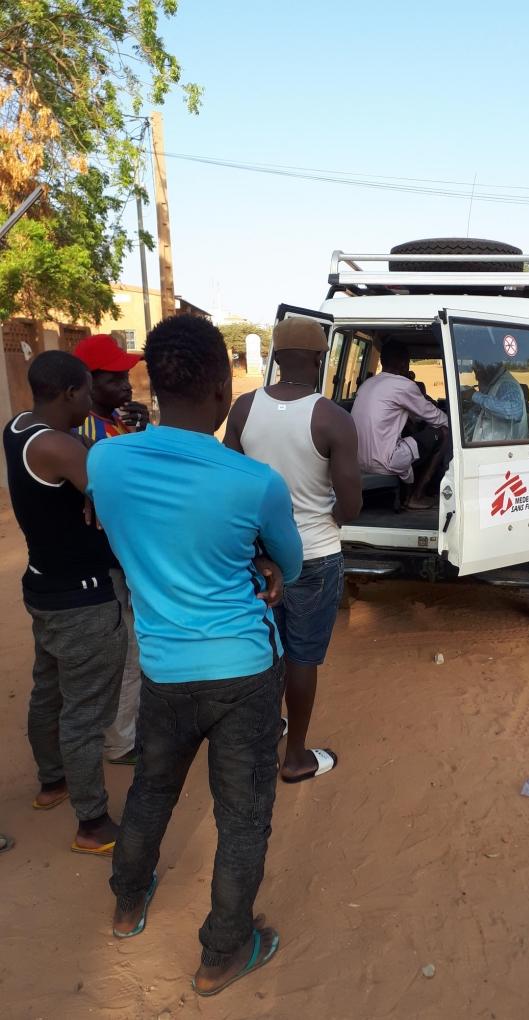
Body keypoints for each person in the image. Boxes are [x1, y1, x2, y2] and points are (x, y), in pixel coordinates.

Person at [86, 315, 303, 997]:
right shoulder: (253, 481)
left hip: (164, 669)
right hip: (242, 671)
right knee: (243, 816)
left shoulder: (105, 459)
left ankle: (126, 903)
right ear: (219, 388)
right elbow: (289, 564)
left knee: (152, 787)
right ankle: (222, 953)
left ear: (153, 379)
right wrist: (264, 560)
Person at [225, 317, 362, 783]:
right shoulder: (332, 418)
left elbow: (231, 483)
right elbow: (353, 504)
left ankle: (269, 731)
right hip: (315, 554)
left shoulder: (244, 410)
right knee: (303, 655)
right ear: (322, 359)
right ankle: (297, 756)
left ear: (275, 358)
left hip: (258, 556)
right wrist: (330, 519)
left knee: (267, 649)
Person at [2, 351, 127, 855]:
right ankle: (92, 824)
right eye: (89, 393)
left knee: (48, 690)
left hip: (44, 585)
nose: (93, 401)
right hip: (83, 598)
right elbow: (120, 501)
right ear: (73, 392)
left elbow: (79, 456)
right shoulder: (61, 448)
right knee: (85, 713)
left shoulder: (20, 427)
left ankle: (52, 782)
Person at [73, 333, 149, 766]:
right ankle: (121, 741)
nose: (126, 384)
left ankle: (128, 729)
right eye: (114, 378)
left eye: (126, 376)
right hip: (111, 558)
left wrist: (143, 432)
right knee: (129, 650)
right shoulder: (88, 431)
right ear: (87, 382)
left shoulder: (115, 422)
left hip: (124, 553)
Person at [352, 340, 448, 510]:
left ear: (382, 361)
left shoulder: (367, 384)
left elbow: (410, 417)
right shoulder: (404, 386)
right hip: (384, 461)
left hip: (358, 461)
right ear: (405, 363)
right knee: (444, 432)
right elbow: (437, 418)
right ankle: (417, 496)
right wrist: (455, 421)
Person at [465, 361, 528, 442]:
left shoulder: (507, 384)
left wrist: (475, 395)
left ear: (486, 367)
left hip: (505, 450)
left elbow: (515, 412)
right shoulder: (494, 383)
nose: (476, 376)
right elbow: (487, 408)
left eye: (477, 370)